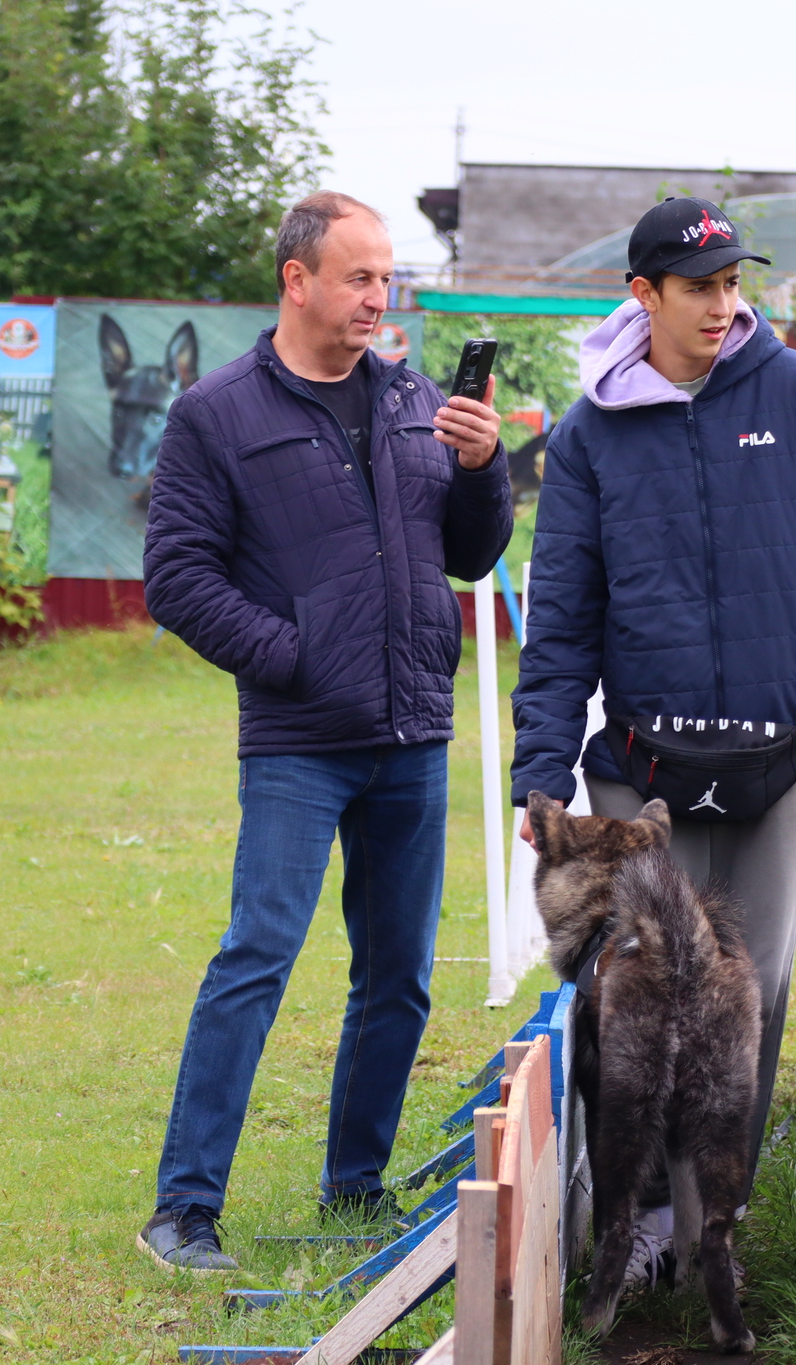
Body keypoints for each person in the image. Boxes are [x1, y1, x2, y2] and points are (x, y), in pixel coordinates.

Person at [510, 196, 796, 1286]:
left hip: (779, 764)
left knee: (749, 1000)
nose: (722, 306)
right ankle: (630, 1233)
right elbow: (560, 620)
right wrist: (541, 772)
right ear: (642, 296)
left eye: (733, 285)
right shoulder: (590, 433)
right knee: (632, 995)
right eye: (699, 287)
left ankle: (707, 1242)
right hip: (640, 771)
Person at [139, 191, 512, 1272]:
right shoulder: (216, 414)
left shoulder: (410, 400)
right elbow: (176, 578)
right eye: (357, 277)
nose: (376, 298)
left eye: (384, 278)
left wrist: (485, 470)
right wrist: (292, 656)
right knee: (256, 957)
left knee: (397, 974)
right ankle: (182, 1209)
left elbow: (470, 556)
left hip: (412, 733)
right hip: (299, 741)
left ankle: (355, 1187)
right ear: (295, 280)